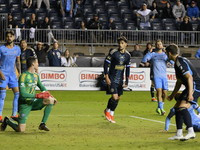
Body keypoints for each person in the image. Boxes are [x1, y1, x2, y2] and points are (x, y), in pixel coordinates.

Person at [1, 56, 57, 132]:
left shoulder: (36, 76)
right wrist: (37, 95)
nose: (38, 64)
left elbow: (42, 87)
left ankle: (42, 124)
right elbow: (23, 94)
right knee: (20, 130)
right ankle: (7, 121)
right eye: (37, 62)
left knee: (50, 100)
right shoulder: (23, 76)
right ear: (33, 64)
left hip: (33, 102)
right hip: (24, 104)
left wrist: (50, 96)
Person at [165, 43, 200, 141]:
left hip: (196, 86)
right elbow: (179, 81)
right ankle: (179, 133)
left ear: (170, 53)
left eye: (167, 53)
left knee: (182, 107)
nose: (166, 55)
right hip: (191, 86)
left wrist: (190, 94)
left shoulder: (179, 62)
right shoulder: (177, 63)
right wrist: (172, 95)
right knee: (177, 107)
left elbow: (189, 77)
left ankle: (191, 132)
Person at [104, 36, 131, 123]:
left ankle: (110, 112)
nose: (120, 45)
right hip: (112, 78)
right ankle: (109, 112)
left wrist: (126, 80)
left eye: (122, 43)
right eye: (119, 43)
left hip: (120, 80)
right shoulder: (113, 53)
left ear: (126, 44)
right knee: (114, 97)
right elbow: (105, 64)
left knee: (118, 97)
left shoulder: (128, 55)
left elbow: (128, 68)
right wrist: (106, 76)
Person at [142, 40, 173, 115]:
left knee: (164, 93)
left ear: (162, 46)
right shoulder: (152, 54)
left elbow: (172, 62)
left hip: (164, 76)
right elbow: (144, 60)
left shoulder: (165, 55)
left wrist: (167, 54)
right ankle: (162, 109)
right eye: (157, 44)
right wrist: (149, 52)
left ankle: (159, 107)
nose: (159, 45)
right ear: (155, 46)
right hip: (156, 76)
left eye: (160, 44)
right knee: (159, 91)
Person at [0, 30, 21, 123]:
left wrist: (19, 73)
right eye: (7, 36)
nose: (9, 38)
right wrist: (0, 73)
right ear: (5, 38)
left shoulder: (17, 49)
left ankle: (14, 115)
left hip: (13, 75)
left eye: (11, 36)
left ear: (13, 38)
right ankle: (0, 116)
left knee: (17, 94)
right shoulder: (1, 48)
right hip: (3, 74)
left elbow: (18, 62)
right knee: (2, 96)